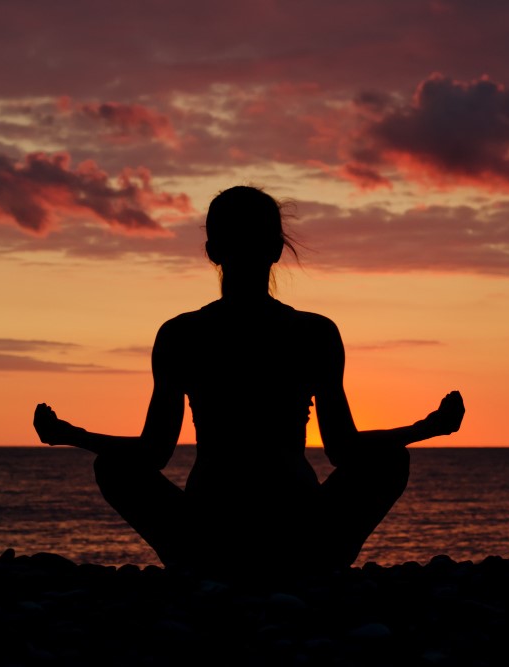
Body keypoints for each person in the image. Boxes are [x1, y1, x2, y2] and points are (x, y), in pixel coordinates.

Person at [34, 185, 465, 576]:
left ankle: (202, 568)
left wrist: (73, 435)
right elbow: (344, 450)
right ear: (276, 249)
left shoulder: (181, 334)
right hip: (300, 530)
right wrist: (427, 427)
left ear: (211, 251)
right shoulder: (314, 332)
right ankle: (314, 568)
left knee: (112, 466)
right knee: (390, 458)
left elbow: (152, 455)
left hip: (208, 531)